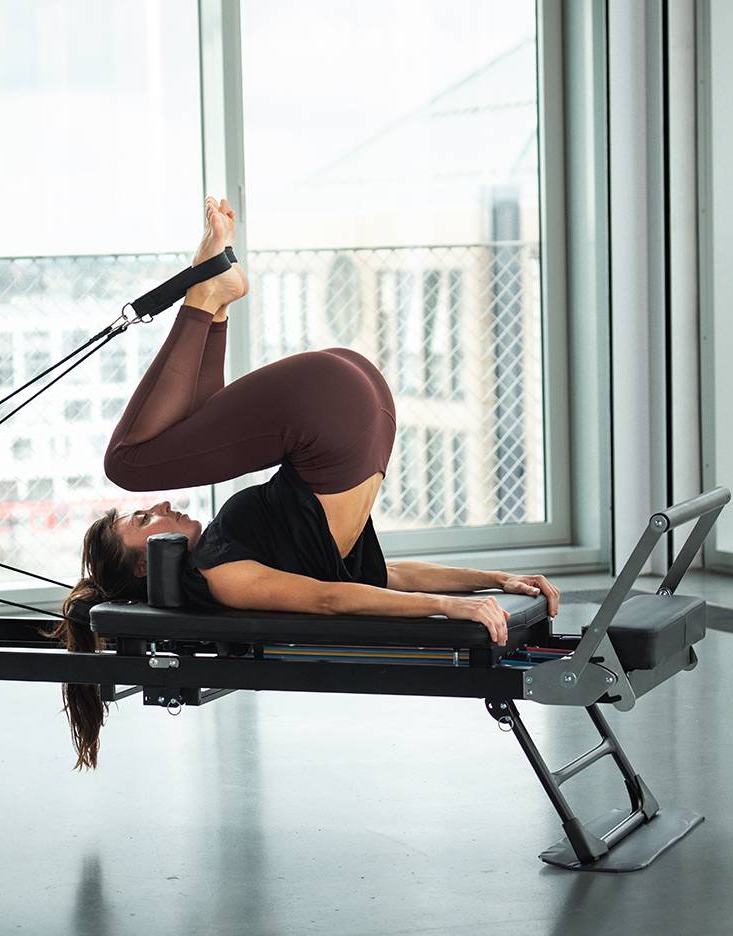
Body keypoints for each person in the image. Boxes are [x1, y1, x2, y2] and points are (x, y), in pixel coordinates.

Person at [50, 195, 561, 769]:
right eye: (143, 520)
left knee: (173, 438)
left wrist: (492, 580)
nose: (160, 505)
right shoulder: (224, 577)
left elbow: (379, 578)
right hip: (339, 406)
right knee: (126, 462)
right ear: (146, 565)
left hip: (355, 413)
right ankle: (207, 299)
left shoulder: (232, 556)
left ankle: (212, 297)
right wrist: (454, 603)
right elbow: (339, 594)